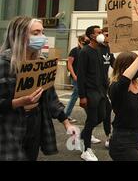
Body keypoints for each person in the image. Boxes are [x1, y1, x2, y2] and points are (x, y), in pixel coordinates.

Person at [0, 16, 76, 161]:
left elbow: (51, 98)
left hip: (34, 124)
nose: (42, 37)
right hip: (8, 127)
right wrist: (19, 102)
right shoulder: (3, 63)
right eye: (36, 33)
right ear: (20, 35)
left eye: (42, 32)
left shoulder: (41, 63)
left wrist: (66, 123)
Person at [108, 42, 138, 161]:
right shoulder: (116, 87)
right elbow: (124, 80)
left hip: (136, 136)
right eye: (136, 65)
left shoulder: (137, 85)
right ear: (125, 67)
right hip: (122, 139)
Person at [77, 25, 108, 161]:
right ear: (91, 36)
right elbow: (81, 76)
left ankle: (83, 136)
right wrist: (82, 96)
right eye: (99, 32)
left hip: (101, 91)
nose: (102, 34)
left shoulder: (100, 50)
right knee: (92, 119)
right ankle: (86, 149)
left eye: (101, 32)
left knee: (102, 116)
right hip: (90, 92)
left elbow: (104, 69)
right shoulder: (84, 52)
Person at [97, 27, 115, 148]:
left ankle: (108, 136)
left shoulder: (109, 49)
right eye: (106, 34)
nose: (109, 36)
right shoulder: (94, 49)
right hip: (94, 87)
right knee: (96, 115)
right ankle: (85, 134)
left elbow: (114, 64)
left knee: (107, 111)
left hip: (104, 86)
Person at [65, 35, 89, 123]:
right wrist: (74, 75)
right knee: (78, 95)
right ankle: (91, 116)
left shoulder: (87, 50)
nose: (85, 43)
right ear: (80, 41)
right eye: (84, 41)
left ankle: (65, 115)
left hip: (84, 78)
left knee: (77, 95)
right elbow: (69, 64)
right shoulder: (74, 51)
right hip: (76, 77)